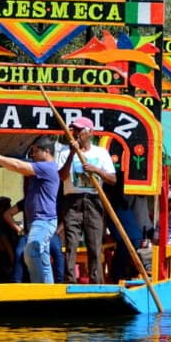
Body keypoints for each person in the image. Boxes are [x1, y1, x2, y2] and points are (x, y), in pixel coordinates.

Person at [0, 136, 60, 284]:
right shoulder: (41, 169)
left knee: (30, 253)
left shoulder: (47, 167)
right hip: (39, 222)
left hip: (43, 221)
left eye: (35, 151)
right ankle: (48, 290)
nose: (32, 155)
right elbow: (16, 166)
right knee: (43, 259)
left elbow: (17, 165)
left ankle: (38, 289)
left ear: (46, 151)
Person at [57, 117, 116, 284]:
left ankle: (96, 281)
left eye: (79, 130)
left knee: (94, 243)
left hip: (93, 200)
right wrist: (72, 153)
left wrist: (96, 170)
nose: (75, 133)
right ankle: (70, 280)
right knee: (71, 242)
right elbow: (62, 176)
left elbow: (112, 180)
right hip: (72, 201)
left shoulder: (100, 153)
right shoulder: (64, 152)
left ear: (90, 133)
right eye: (74, 130)